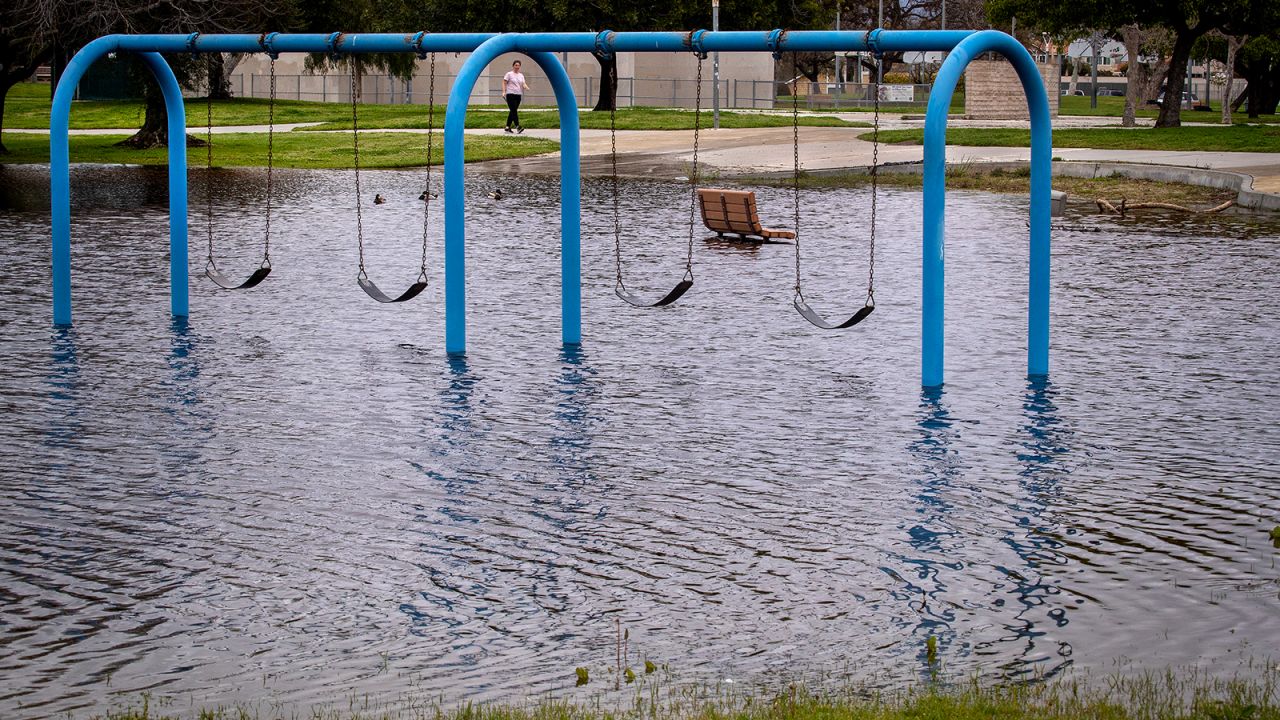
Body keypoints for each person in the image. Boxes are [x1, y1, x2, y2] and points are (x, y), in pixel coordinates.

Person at [502, 60, 530, 134]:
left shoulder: (521, 75)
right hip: (510, 94)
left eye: (518, 65)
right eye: (516, 65)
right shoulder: (509, 74)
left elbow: (523, 83)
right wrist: (504, 92)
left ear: (520, 66)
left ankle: (507, 127)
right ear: (513, 66)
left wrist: (526, 87)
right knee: (514, 110)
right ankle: (518, 126)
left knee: (512, 111)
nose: (517, 67)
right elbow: (504, 82)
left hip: (518, 95)